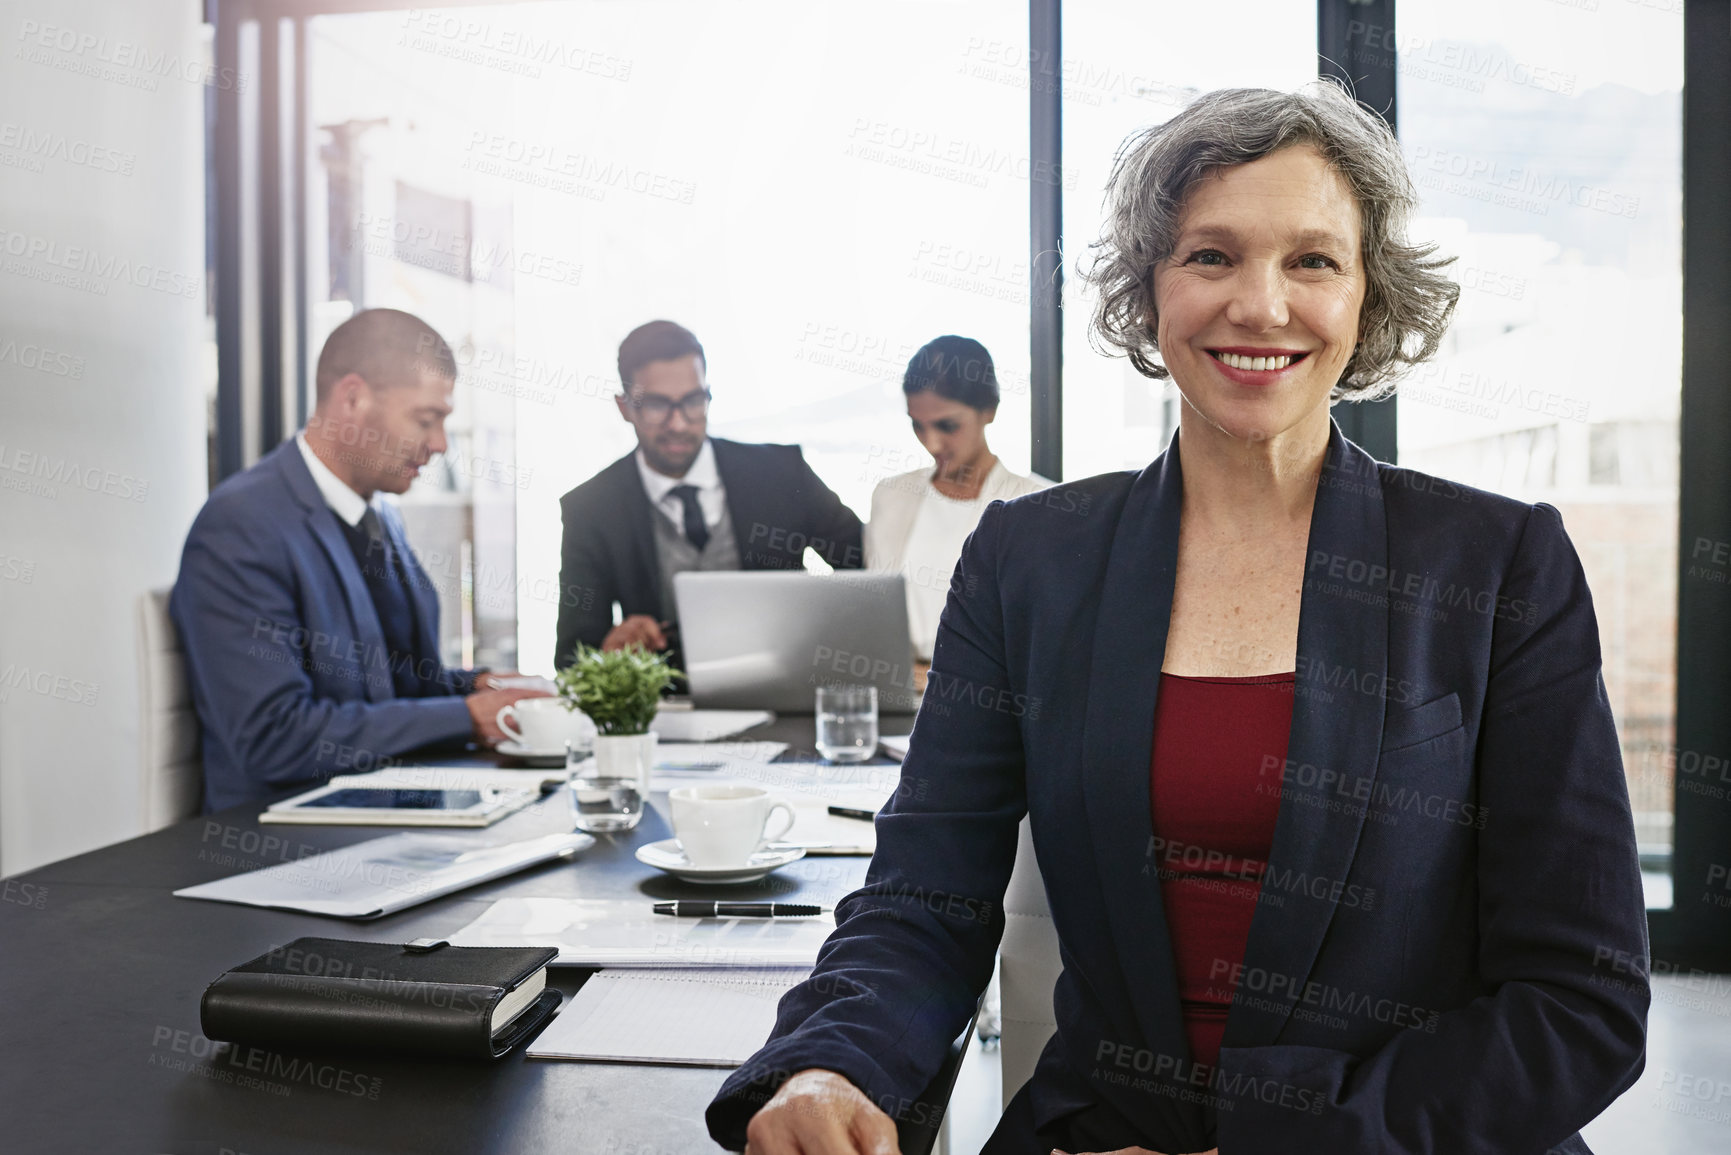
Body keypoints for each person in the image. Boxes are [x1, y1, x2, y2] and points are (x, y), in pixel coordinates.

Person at [708, 82, 1648, 1155]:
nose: (1260, 304)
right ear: (1146, 290)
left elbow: (1583, 999)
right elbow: (928, 891)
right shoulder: (1030, 559)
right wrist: (836, 1061)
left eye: (1312, 260)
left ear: (1368, 297)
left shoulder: (1497, 563)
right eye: (1210, 256)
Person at [171, 309, 548, 812]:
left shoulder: (379, 516)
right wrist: (467, 717)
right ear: (353, 398)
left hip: (398, 815)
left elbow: (393, 686)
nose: (438, 445)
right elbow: (273, 736)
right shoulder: (241, 527)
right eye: (426, 419)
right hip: (292, 842)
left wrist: (482, 687)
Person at [555, 320, 865, 674]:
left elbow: (868, 568)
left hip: (790, 697)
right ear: (625, 408)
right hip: (666, 713)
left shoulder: (782, 473)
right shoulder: (592, 509)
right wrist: (611, 650)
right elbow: (572, 658)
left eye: (692, 401)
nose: (678, 423)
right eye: (657, 405)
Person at [865, 335, 1051, 662]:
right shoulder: (891, 496)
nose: (932, 444)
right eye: (917, 426)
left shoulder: (1037, 504)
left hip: (985, 701)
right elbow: (875, 617)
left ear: (989, 411)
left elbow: (1038, 637)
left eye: (947, 425)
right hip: (899, 693)